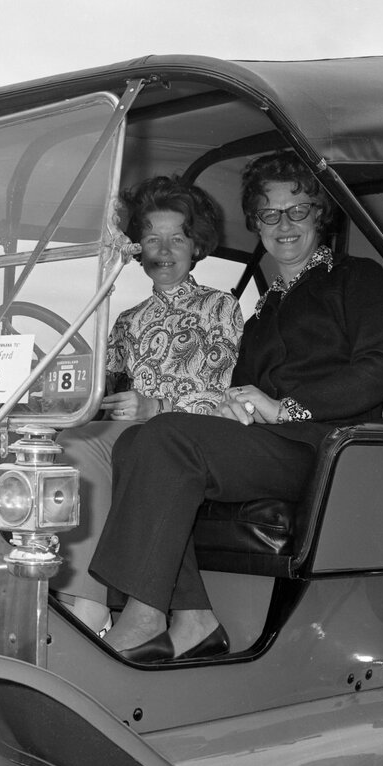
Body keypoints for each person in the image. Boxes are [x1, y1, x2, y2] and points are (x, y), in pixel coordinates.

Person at [89, 151, 383, 662]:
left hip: (327, 450)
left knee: (163, 435)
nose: (283, 225)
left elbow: (380, 368)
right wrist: (230, 407)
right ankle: (193, 617)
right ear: (256, 223)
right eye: (268, 214)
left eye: (297, 210)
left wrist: (286, 408)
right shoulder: (265, 308)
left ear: (319, 215)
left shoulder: (358, 278)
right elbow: (236, 392)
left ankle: (145, 616)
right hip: (268, 443)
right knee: (139, 441)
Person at [54, 175, 244, 634]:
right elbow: (102, 389)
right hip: (131, 433)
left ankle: (87, 601)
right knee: (55, 441)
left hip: (189, 437)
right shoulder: (127, 320)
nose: (163, 248)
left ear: (196, 246)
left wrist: (155, 405)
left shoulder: (220, 307)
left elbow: (219, 393)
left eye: (177, 237)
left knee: (81, 445)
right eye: (151, 238)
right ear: (137, 248)